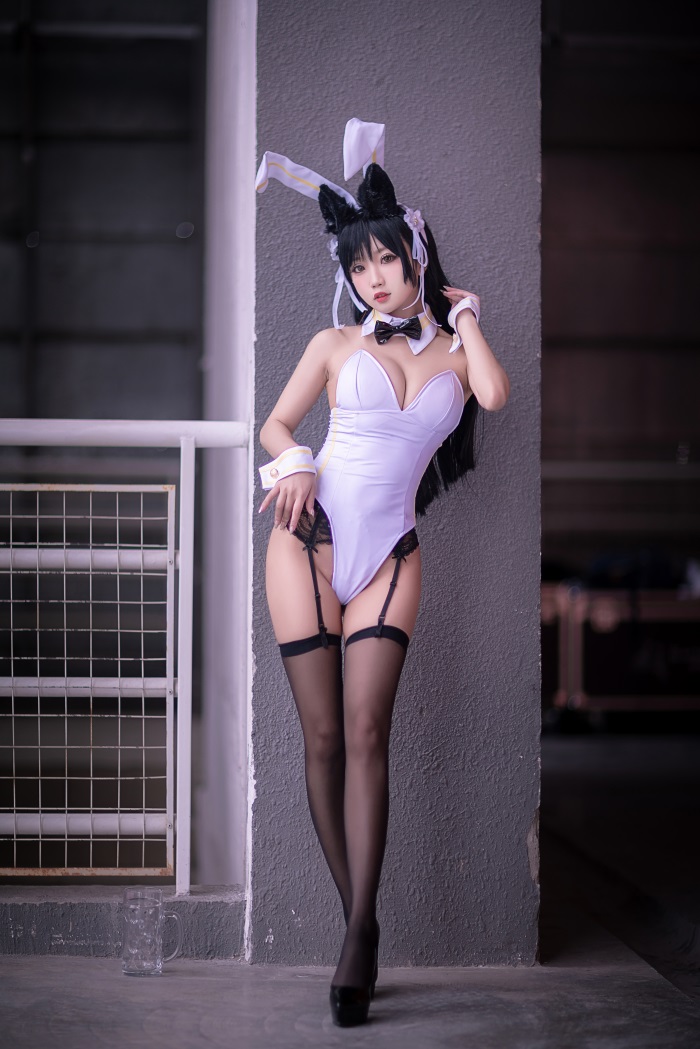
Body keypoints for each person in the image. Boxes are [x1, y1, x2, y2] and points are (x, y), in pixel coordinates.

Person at [255, 119, 509, 1027]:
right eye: (358, 265)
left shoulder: (454, 353)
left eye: (386, 260)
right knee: (323, 736)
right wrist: (295, 466)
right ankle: (359, 926)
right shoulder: (333, 345)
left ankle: (359, 929)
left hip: (392, 556)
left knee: (369, 732)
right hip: (308, 539)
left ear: (415, 256)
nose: (373, 277)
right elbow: (275, 426)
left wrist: (467, 314)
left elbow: (493, 394)